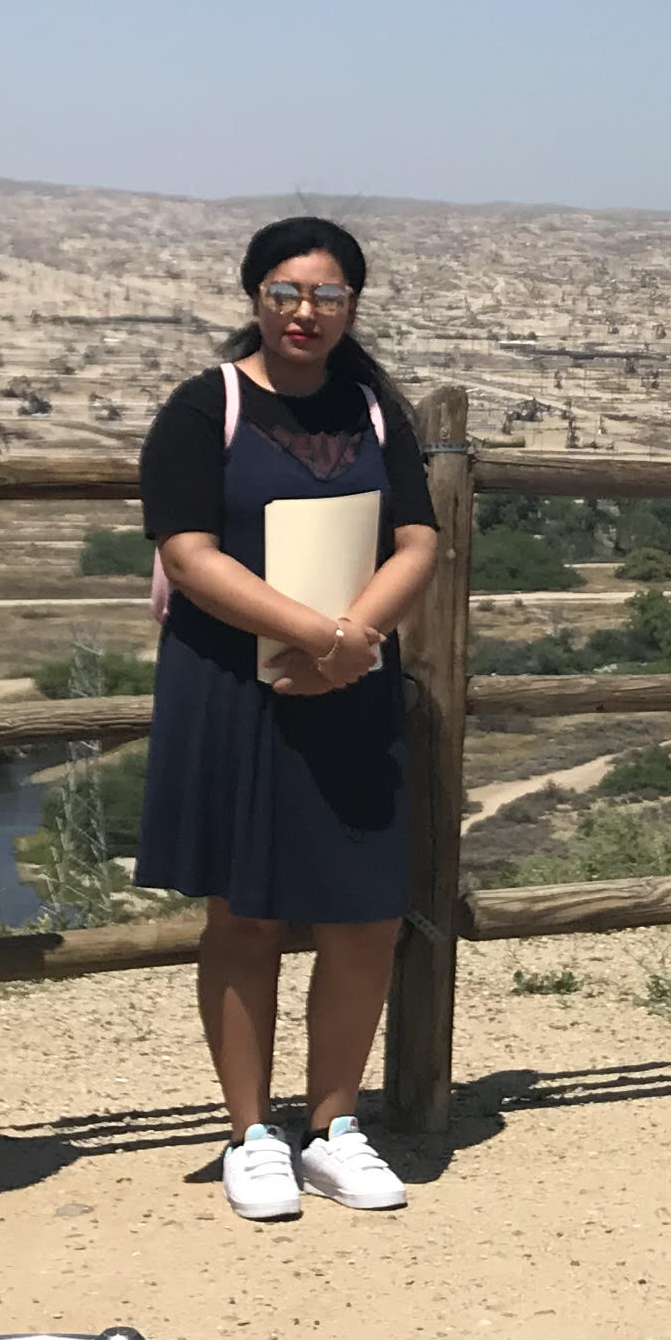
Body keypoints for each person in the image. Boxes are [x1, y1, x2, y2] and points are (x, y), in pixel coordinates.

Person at [136, 217, 440, 1223]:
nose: (305, 313)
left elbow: (417, 541)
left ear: (353, 305)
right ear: (254, 298)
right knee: (246, 913)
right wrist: (318, 631)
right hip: (234, 690)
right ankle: (248, 1133)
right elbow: (187, 554)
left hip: (349, 690)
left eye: (326, 296)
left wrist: (351, 639)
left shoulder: (375, 412)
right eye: (286, 293)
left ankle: (333, 1126)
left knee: (365, 916)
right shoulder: (204, 406)